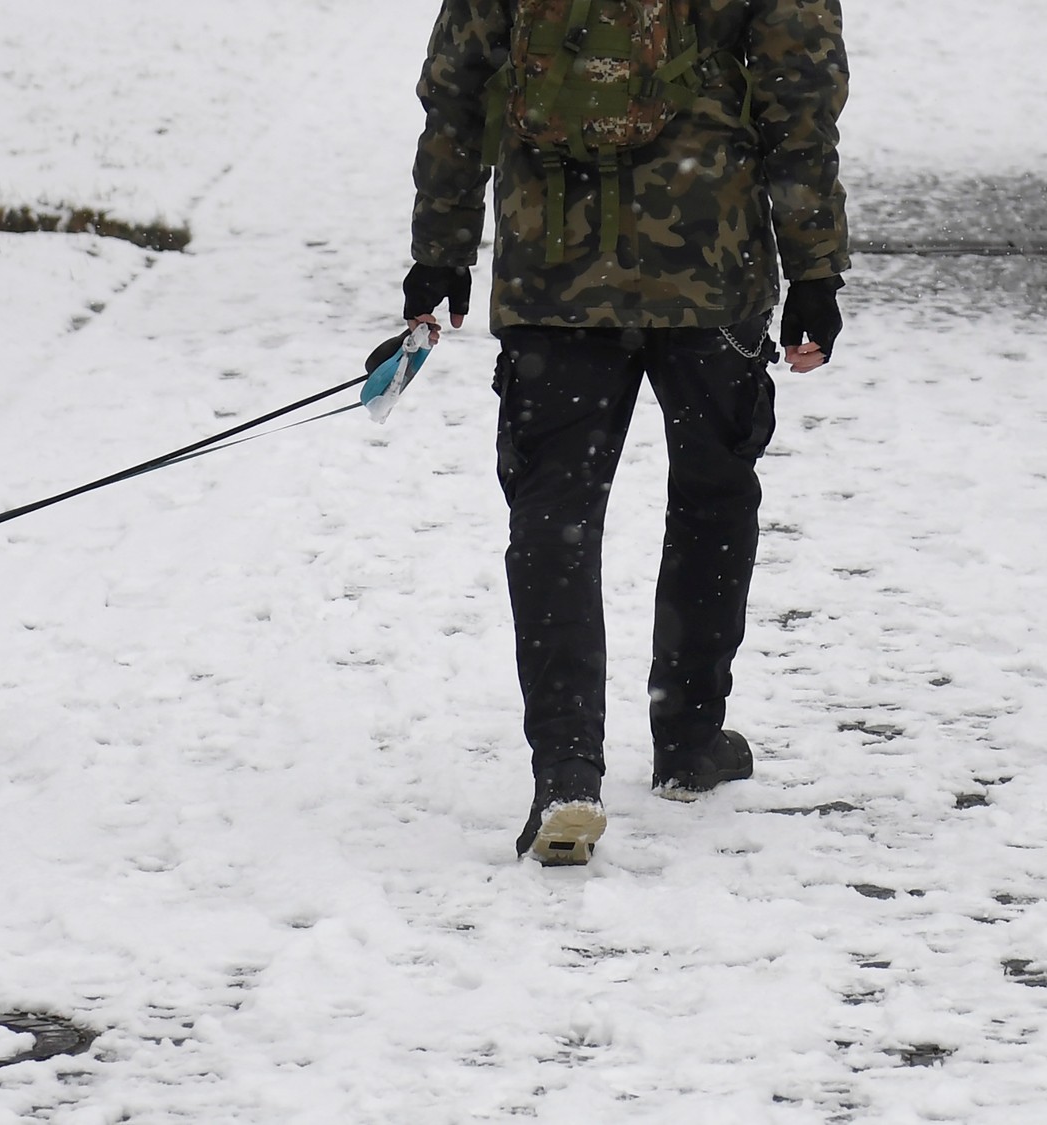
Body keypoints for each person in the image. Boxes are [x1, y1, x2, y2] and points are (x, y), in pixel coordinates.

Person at [397, 0, 848, 864]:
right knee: (713, 496)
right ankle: (688, 737)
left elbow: (457, 84)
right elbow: (802, 93)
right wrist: (815, 266)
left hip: (550, 269)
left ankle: (567, 770)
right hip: (711, 266)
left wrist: (443, 248)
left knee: (554, 511)